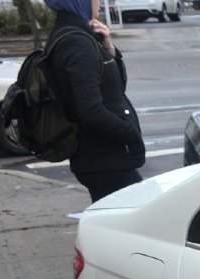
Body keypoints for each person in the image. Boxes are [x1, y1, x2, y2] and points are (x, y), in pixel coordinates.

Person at [44, 0, 145, 201]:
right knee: (128, 223)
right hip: (104, 159)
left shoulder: (77, 35)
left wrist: (108, 49)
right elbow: (90, 110)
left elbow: (114, 91)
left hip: (103, 158)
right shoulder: (77, 42)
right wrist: (130, 134)